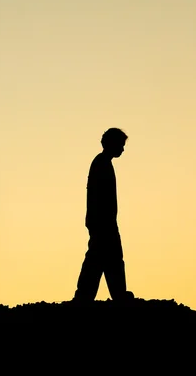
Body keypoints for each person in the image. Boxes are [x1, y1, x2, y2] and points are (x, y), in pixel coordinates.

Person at [73, 128, 134, 303]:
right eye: (120, 145)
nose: (122, 149)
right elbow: (97, 196)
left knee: (104, 259)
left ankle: (111, 294)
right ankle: (89, 296)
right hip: (103, 222)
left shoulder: (103, 163)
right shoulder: (101, 164)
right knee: (103, 259)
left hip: (103, 222)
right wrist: (98, 222)